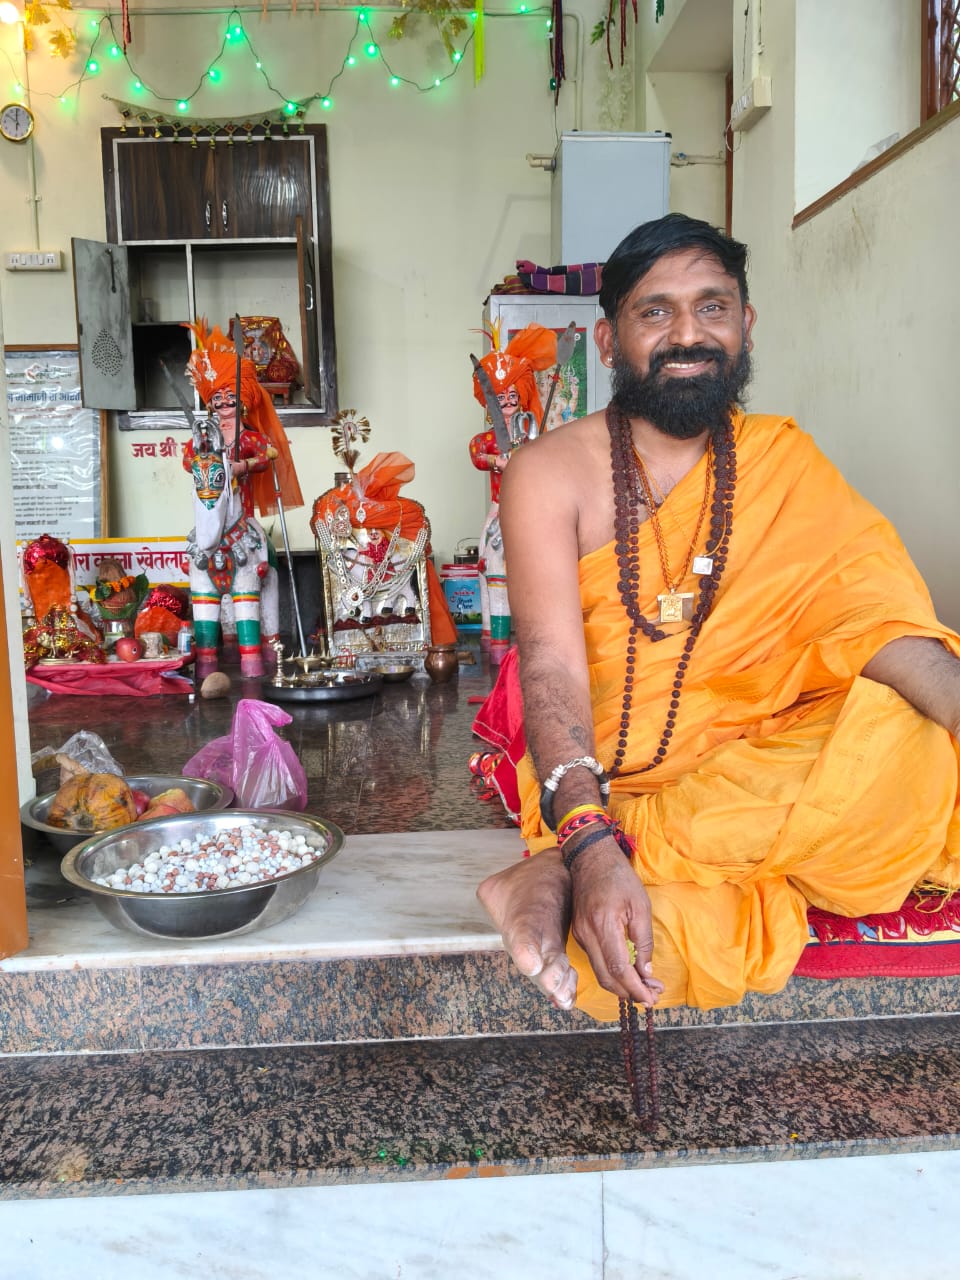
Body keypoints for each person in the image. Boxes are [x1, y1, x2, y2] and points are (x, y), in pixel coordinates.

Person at [477, 212, 960, 1023]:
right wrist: (589, 835)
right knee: (658, 941)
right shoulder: (546, 473)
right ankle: (587, 852)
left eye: (712, 307)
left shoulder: (784, 462)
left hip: (759, 749)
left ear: (746, 323)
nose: (688, 335)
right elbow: (551, 664)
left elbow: (869, 622)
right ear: (608, 341)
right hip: (611, 767)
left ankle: (563, 871)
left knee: (913, 742)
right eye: (655, 311)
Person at [469, 323, 557, 659]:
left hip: (531, 509)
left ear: (521, 395)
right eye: (499, 396)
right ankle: (495, 645)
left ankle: (534, 643)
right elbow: (477, 454)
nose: (506, 402)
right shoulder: (487, 440)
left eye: (511, 395)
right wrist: (497, 460)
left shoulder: (533, 434)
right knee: (489, 566)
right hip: (499, 507)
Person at [181, 320, 303, 521]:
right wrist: (204, 463)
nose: (224, 401)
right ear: (210, 404)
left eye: (231, 396)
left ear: (243, 400)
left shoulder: (250, 438)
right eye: (217, 397)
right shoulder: (204, 440)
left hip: (242, 513)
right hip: (210, 511)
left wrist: (243, 466)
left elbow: (266, 456)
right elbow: (187, 460)